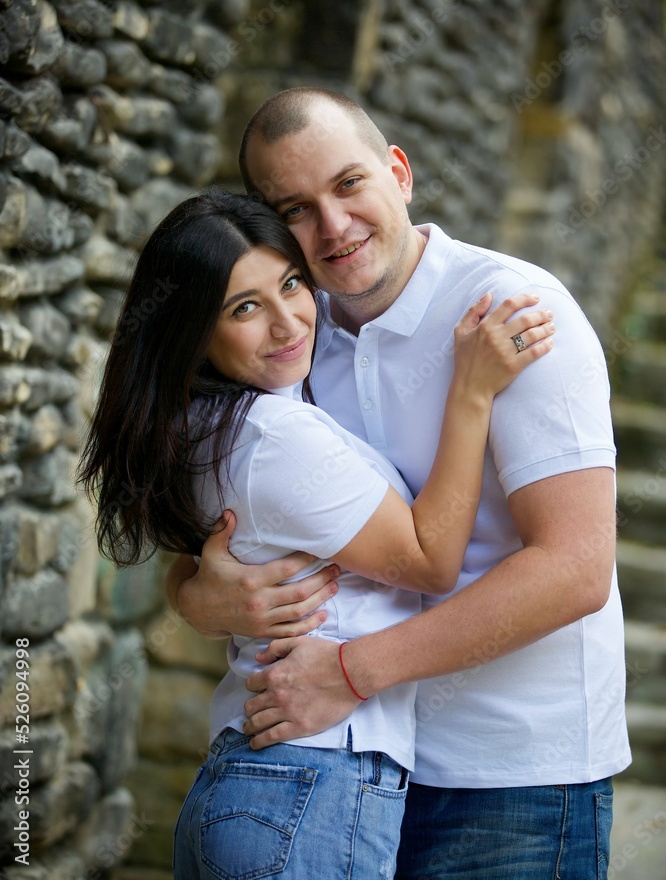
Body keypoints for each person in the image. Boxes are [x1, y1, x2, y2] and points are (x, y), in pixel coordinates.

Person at [169, 87, 631, 880]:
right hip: (348, 771)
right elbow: (226, 517)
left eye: (348, 185)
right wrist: (195, 597)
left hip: (512, 775)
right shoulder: (291, 336)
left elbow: (575, 568)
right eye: (298, 209)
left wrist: (352, 672)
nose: (334, 226)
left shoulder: (513, 312)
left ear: (399, 174)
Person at [78, 188, 552, 879]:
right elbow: (428, 558)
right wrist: (471, 392)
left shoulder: (212, 425)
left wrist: (190, 595)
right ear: (193, 332)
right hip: (311, 784)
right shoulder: (274, 434)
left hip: (265, 784)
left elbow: (204, 560)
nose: (288, 323)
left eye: (291, 284)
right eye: (244, 308)